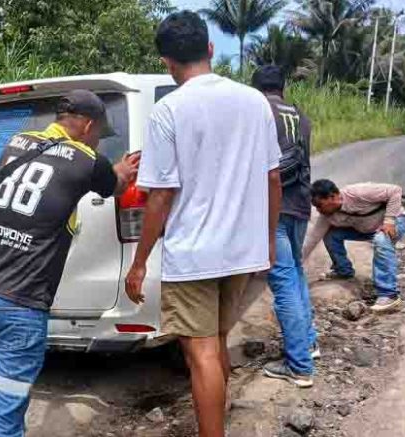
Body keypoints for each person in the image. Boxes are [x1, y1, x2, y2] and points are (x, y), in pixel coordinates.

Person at [123, 11, 282, 437]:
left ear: (166, 62)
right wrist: (267, 240)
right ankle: (217, 423)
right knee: (217, 343)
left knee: (203, 354)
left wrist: (139, 263)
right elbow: (272, 178)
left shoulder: (169, 110)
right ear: (210, 49)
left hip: (194, 256)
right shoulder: (255, 102)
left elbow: (160, 195)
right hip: (242, 252)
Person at [0, 89, 139, 437]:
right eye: (99, 134)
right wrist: (122, 170)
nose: (98, 141)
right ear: (86, 125)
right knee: (5, 422)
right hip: (17, 307)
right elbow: (113, 186)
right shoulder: (88, 160)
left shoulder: (18, 141)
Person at [252, 66, 319, 388]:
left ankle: (299, 365)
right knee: (296, 274)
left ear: (255, 87)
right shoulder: (300, 116)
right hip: (301, 204)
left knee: (282, 280)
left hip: (274, 207)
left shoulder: (257, 111)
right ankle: (309, 344)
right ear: (283, 86)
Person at [302, 179, 405, 313]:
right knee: (330, 235)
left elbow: (395, 190)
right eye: (315, 206)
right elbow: (311, 240)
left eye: (320, 205)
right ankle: (343, 271)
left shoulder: (357, 193)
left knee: (381, 240)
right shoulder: (326, 217)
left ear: (332, 197)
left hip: (395, 222)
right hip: (367, 229)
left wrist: (389, 220)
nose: (318, 210)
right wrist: (296, 263)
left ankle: (389, 295)